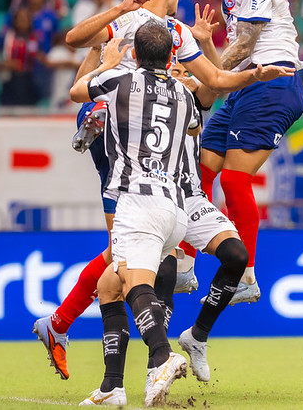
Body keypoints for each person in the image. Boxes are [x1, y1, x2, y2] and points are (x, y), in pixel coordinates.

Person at [32, 0, 292, 383]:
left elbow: (208, 89)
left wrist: (209, 50)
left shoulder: (172, 33)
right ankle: (132, 362)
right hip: (130, 146)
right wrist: (120, 17)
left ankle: (69, 333)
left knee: (124, 252)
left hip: (155, 159)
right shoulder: (144, 25)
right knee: (127, 256)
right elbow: (78, 45)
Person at [79, 60, 249, 406]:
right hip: (158, 199)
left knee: (236, 256)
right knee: (121, 282)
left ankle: (188, 341)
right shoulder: (159, 101)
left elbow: (213, 82)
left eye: (188, 72)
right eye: (177, 71)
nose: (182, 76)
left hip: (183, 200)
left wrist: (214, 55)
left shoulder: (186, 101)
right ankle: (122, 380)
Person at [68, 23, 198, 407]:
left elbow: (77, 93)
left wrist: (105, 64)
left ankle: (162, 355)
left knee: (130, 283)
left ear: (135, 56)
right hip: (174, 208)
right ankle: (112, 386)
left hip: (137, 203)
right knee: (107, 287)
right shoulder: (185, 94)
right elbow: (190, 129)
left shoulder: (120, 81)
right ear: (171, 56)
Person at [197, 0, 303, 303]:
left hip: (272, 81)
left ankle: (246, 275)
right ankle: (182, 258)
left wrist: (202, 79)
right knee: (201, 171)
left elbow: (245, 44)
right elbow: (235, 51)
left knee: (234, 179)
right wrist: (208, 52)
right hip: (245, 84)